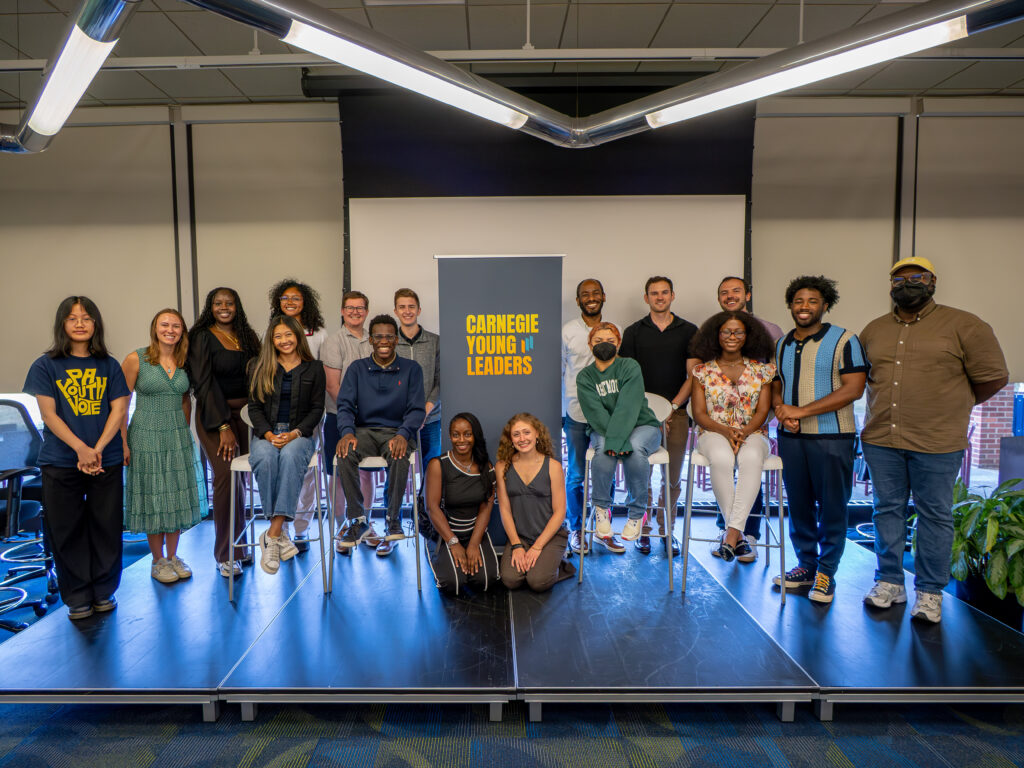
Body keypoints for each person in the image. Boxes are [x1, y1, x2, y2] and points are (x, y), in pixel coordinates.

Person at [860, 256, 1007, 623]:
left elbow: (993, 378)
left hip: (937, 441)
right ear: (891, 287)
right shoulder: (874, 330)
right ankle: (890, 582)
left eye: (917, 277)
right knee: (886, 510)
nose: (907, 284)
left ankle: (929, 592)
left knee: (935, 515)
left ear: (932, 282)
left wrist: (952, 406)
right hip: (882, 437)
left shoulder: (965, 325)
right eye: (899, 279)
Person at [24, 296, 130, 620]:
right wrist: (81, 449)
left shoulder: (109, 365)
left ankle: (104, 591)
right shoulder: (45, 365)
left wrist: (97, 448)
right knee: (67, 530)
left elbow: (119, 409)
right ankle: (78, 596)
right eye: (72, 318)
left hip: (106, 458)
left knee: (106, 527)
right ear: (62, 324)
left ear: (95, 324)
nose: (80, 324)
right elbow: (49, 415)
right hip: (60, 460)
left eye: (86, 318)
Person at [771, 277, 867, 603]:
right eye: (799, 301)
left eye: (813, 301)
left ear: (825, 305)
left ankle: (826, 572)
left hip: (832, 436)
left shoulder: (845, 340)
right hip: (791, 438)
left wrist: (801, 411)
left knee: (832, 507)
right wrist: (782, 412)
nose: (805, 307)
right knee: (798, 504)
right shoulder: (782, 343)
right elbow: (777, 384)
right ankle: (806, 565)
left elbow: (854, 389)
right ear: (790, 305)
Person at [121, 309, 207, 585]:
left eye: (176, 326)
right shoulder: (137, 359)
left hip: (176, 435)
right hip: (145, 435)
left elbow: (185, 400)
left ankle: (173, 557)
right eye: (164, 325)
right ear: (155, 328)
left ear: (182, 331)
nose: (170, 330)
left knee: (176, 496)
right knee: (154, 496)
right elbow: (121, 404)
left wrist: (184, 432)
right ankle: (157, 561)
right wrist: (122, 441)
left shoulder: (184, 362)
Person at [335, 314, 425, 555]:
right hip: (364, 431)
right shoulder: (357, 369)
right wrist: (347, 432)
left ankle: (393, 519)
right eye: (378, 336)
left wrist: (404, 434)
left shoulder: (412, 369)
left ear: (396, 340)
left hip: (397, 432)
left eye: (388, 336)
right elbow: (344, 406)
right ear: (371, 340)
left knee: (399, 454)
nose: (383, 341)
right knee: (344, 452)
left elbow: (416, 410)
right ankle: (358, 520)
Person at [619, 276, 697, 555]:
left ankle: (667, 530)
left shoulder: (689, 331)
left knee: (672, 477)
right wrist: (647, 411)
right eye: (654, 293)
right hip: (642, 416)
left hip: (677, 414)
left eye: (665, 292)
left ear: (672, 295)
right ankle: (643, 529)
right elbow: (627, 377)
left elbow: (693, 376)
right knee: (640, 475)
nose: (660, 297)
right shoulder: (633, 332)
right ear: (647, 298)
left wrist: (672, 407)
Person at [689, 311, 776, 561]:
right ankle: (738, 536)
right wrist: (728, 432)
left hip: (753, 432)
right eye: (726, 331)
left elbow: (763, 411)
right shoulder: (701, 372)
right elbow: (699, 414)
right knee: (721, 457)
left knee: (751, 459)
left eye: (738, 332)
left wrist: (743, 433)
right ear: (716, 335)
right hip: (713, 431)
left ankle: (731, 535)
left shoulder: (763, 371)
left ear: (748, 336)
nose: (732, 336)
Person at [710, 276, 785, 562]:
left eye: (736, 291)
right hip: (720, 420)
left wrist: (770, 413)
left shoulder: (771, 330)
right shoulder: (712, 330)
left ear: (748, 295)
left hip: (756, 419)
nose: (730, 296)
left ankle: (747, 534)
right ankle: (729, 532)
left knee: (749, 466)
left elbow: (777, 377)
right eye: (724, 292)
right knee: (722, 465)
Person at [188, 287, 260, 578]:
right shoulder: (201, 337)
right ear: (211, 307)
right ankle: (226, 555)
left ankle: (239, 547)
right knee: (226, 478)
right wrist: (223, 426)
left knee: (240, 480)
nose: (224, 307)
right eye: (218, 303)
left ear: (237, 306)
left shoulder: (247, 336)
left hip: (247, 415)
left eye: (229, 302)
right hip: (215, 415)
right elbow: (203, 383)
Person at [248, 315, 326, 575]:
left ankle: (272, 533)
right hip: (267, 433)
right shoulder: (259, 366)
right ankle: (279, 534)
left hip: (299, 434)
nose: (284, 340)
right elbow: (254, 408)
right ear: (271, 340)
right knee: (265, 458)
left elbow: (317, 409)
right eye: (278, 336)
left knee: (291, 457)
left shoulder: (314, 368)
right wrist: (269, 435)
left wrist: (295, 433)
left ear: (298, 336)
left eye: (288, 334)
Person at [576, 322, 662, 544]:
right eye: (598, 341)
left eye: (610, 341)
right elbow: (595, 414)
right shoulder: (585, 377)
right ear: (590, 344)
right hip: (603, 428)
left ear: (619, 343)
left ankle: (637, 514)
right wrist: (617, 440)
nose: (604, 345)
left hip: (643, 426)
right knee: (604, 449)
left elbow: (628, 407)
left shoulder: (629, 366)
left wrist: (619, 440)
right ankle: (601, 509)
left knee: (635, 449)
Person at [561, 278, 623, 555]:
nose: (591, 298)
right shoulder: (567, 331)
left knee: (606, 471)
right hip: (576, 413)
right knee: (576, 474)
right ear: (578, 300)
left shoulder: (615, 330)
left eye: (596, 293)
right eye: (585, 294)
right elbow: (560, 371)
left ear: (604, 296)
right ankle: (576, 530)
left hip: (607, 414)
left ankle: (602, 530)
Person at [268, 278, 328, 552]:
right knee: (279, 470)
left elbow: (322, 374)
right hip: (277, 417)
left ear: (306, 302)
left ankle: (301, 528)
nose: (290, 302)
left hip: (307, 416)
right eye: (285, 298)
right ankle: (281, 530)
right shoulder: (271, 331)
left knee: (305, 473)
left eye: (296, 298)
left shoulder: (319, 334)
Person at [320, 290, 375, 554]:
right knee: (339, 475)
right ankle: (343, 527)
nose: (355, 312)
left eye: (360, 308)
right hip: (339, 419)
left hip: (370, 421)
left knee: (366, 473)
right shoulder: (333, 342)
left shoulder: (375, 339)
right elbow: (333, 386)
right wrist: (352, 414)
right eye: (350, 308)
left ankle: (365, 525)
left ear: (366, 312)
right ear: (342, 311)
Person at [496, 413, 575, 591]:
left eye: (527, 432)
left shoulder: (553, 467)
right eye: (516, 434)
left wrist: (537, 547)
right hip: (520, 537)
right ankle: (539, 565)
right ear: (511, 439)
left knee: (537, 582)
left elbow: (560, 512)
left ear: (537, 434)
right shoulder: (501, 467)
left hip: (550, 536)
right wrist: (516, 545)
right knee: (510, 580)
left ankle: (559, 564)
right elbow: (505, 510)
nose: (522, 439)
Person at [424, 413, 500, 595]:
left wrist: (473, 545)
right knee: (454, 584)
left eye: (467, 434)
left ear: (475, 436)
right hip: (445, 535)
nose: (461, 440)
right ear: (450, 436)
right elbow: (432, 508)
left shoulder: (486, 467)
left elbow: (486, 506)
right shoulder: (438, 465)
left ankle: (469, 555)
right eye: (456, 435)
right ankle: (438, 555)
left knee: (485, 581)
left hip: (474, 534)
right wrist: (454, 544)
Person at [394, 288, 442, 464]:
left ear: (419, 310)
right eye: (402, 307)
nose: (407, 311)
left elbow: (441, 381)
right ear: (396, 311)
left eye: (411, 307)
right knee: (396, 467)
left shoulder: (435, 341)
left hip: (431, 418)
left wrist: (424, 411)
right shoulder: (390, 342)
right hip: (398, 421)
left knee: (432, 467)